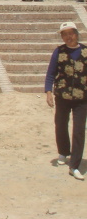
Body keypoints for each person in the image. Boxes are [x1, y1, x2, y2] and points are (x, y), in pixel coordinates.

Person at [44, 21, 87, 180]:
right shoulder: (59, 52)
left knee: (79, 130)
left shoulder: (85, 51)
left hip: (82, 98)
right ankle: (63, 151)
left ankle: (74, 165)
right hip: (62, 96)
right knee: (61, 124)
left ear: (76, 34)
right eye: (65, 34)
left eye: (71, 33)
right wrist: (48, 92)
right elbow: (51, 73)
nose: (68, 37)